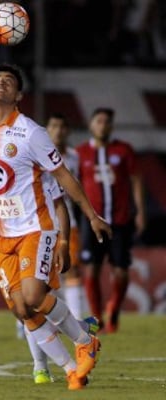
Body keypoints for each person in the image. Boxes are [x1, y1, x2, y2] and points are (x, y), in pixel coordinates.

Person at [0, 64, 112, 390]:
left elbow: (63, 178)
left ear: (18, 96)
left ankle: (85, 339)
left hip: (34, 226)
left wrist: (90, 216)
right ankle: (72, 369)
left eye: (8, 82)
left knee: (33, 295)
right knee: (21, 309)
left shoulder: (31, 132)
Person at [76, 107, 146, 333]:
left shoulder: (123, 150)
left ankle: (113, 308)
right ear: (91, 125)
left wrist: (140, 211)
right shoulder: (81, 153)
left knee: (121, 272)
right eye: (98, 121)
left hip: (120, 220)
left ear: (111, 125)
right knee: (91, 270)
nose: (102, 125)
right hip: (92, 220)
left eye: (107, 121)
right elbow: (74, 184)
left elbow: (136, 180)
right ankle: (97, 317)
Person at [46, 113, 84, 319]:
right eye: (54, 126)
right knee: (41, 275)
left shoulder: (74, 157)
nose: (58, 130)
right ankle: (28, 321)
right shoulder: (37, 154)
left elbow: (80, 189)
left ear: (67, 130)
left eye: (62, 126)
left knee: (73, 270)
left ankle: (77, 321)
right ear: (47, 129)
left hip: (69, 221)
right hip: (41, 222)